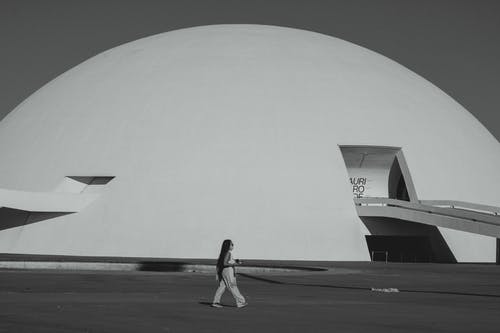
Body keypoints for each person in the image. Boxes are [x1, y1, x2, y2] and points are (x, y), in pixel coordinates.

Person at [211, 239, 248, 308]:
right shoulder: (228, 253)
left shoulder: (224, 253)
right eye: (232, 244)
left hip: (224, 271)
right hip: (228, 271)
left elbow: (224, 262)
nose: (233, 246)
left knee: (222, 286)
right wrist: (235, 264)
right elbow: (225, 263)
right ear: (228, 246)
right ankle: (241, 302)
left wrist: (236, 261)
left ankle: (216, 302)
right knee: (233, 286)